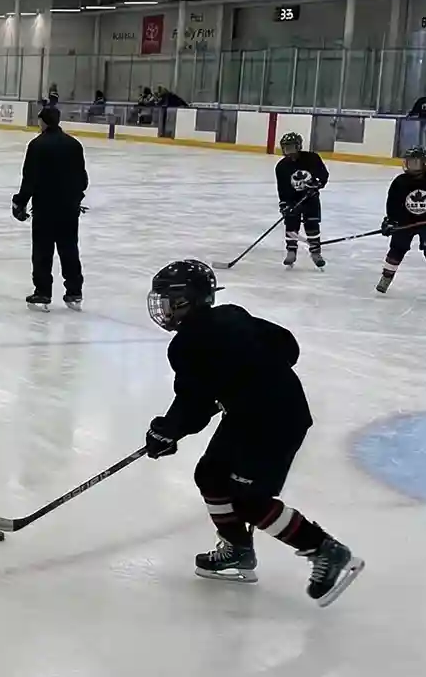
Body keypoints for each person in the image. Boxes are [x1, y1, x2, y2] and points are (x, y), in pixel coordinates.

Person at [143, 260, 363, 606]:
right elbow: (286, 345)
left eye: (169, 301)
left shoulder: (187, 344)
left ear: (186, 301)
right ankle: (238, 550)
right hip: (257, 412)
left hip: (274, 421)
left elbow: (193, 404)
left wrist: (165, 433)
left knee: (249, 500)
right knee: (211, 474)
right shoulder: (231, 315)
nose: (164, 309)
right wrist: (240, 382)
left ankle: (324, 549)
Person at [13, 105, 87, 310]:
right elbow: (82, 179)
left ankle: (43, 293)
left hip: (45, 209)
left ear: (42, 121)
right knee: (69, 249)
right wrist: (75, 199)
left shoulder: (37, 145)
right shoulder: (74, 144)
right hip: (69, 209)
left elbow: (29, 179)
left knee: (42, 252)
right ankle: (74, 293)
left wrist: (20, 202)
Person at [377, 147, 426, 299]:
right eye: (408, 162)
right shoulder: (400, 181)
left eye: (415, 162)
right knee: (397, 249)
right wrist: (390, 221)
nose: (410, 165)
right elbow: (392, 204)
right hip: (405, 221)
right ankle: (386, 277)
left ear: (425, 164)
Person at [274, 132, 329, 268]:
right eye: (286, 148)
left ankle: (315, 253)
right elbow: (282, 189)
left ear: (298, 147)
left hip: (310, 198)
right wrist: (284, 204)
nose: (289, 151)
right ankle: (291, 251)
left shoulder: (312, 158)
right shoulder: (281, 167)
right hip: (293, 200)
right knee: (291, 224)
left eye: (292, 148)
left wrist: (317, 184)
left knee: (312, 225)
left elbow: (323, 174)